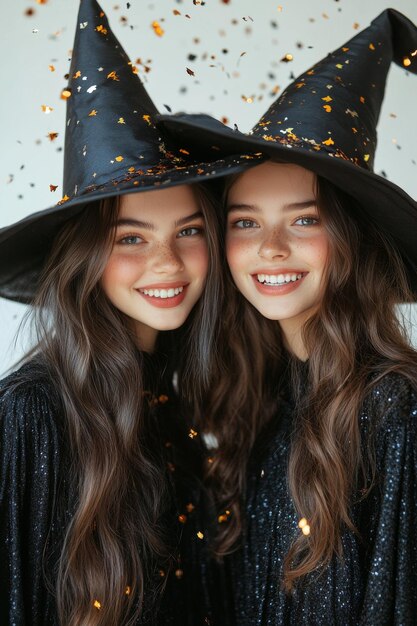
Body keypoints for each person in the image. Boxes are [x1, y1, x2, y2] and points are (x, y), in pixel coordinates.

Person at [158, 9, 417, 625]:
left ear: (350, 238)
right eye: (245, 222)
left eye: (305, 219)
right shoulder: (259, 405)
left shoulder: (395, 414)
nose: (271, 248)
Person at [0, 1, 251, 624]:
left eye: (188, 232)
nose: (166, 263)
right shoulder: (30, 416)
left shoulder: (171, 399)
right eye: (131, 238)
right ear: (86, 255)